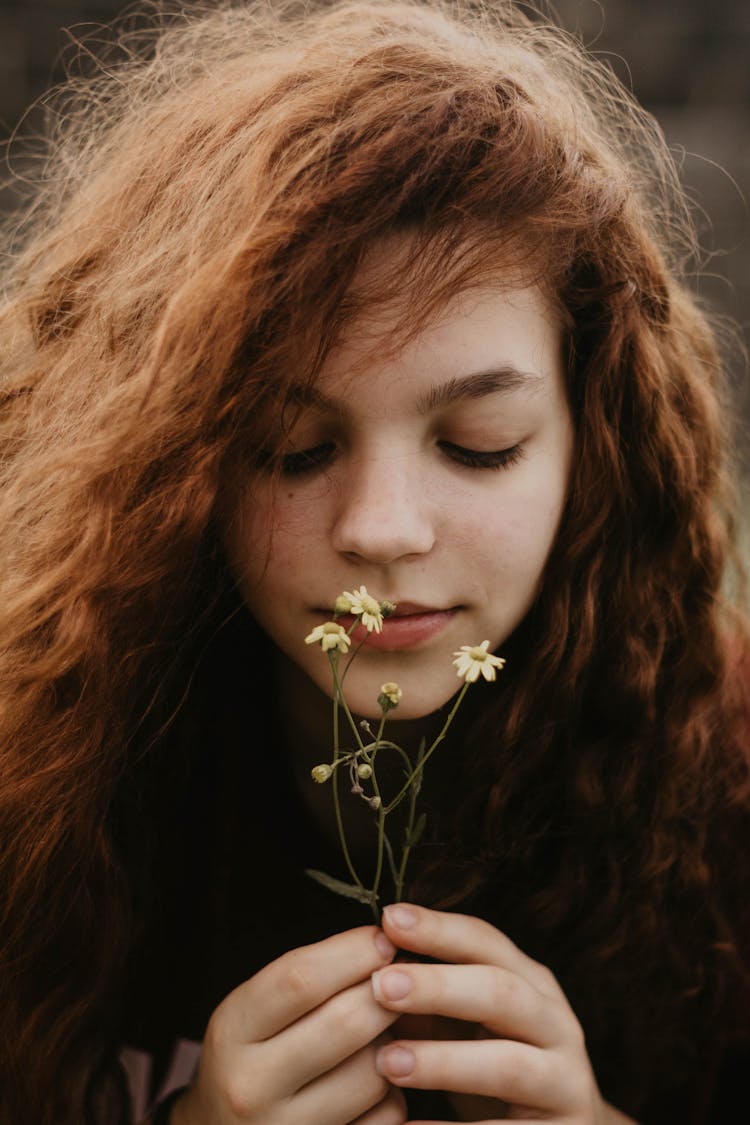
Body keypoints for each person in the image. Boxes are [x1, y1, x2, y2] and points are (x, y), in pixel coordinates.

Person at [1, 0, 748, 1121]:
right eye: (292, 449)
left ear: (595, 444)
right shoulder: (37, 785)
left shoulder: (726, 785)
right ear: (167, 458)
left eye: (477, 447)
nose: (385, 529)